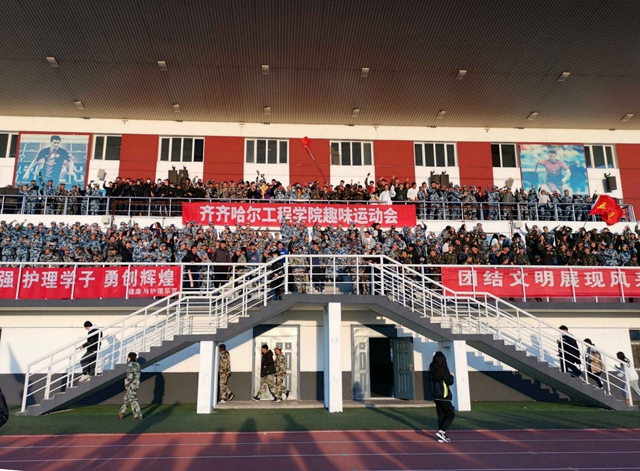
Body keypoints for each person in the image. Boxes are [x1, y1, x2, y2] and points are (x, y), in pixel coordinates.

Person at [429, 351, 455, 443]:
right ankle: (441, 431)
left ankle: (441, 437)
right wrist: (451, 376)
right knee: (451, 414)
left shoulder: (432, 370)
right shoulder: (443, 370)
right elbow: (449, 382)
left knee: (441, 416)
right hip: (443, 396)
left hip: (436, 396)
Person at [117, 352, 142, 420]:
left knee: (133, 399)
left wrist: (126, 384)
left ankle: (138, 415)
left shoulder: (130, 365)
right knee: (126, 399)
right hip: (136, 384)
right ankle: (121, 413)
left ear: (129, 358)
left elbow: (130, 376)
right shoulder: (138, 364)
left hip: (131, 384)